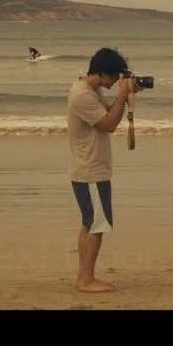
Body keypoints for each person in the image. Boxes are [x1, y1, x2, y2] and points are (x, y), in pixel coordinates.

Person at [66, 47, 142, 293]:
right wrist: (122, 95)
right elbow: (109, 124)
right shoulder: (82, 95)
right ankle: (85, 280)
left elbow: (108, 115)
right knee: (96, 225)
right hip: (90, 170)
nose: (114, 82)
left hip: (92, 168)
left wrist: (127, 94)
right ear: (101, 73)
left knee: (91, 223)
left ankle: (84, 276)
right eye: (113, 78)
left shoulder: (91, 90)